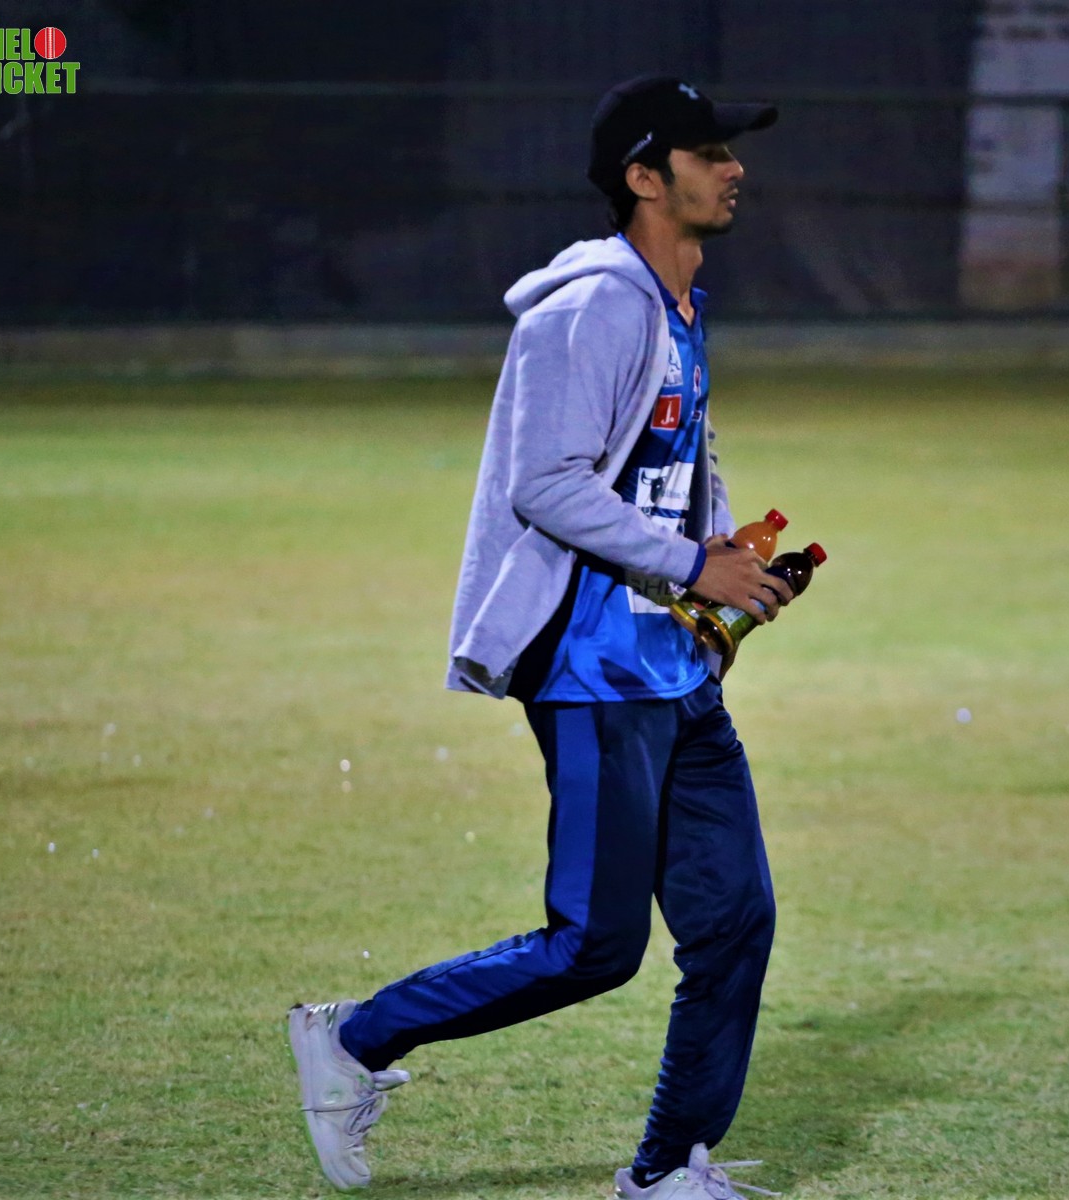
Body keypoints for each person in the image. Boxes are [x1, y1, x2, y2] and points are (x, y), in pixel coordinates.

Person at [288, 75, 790, 1199]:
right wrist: (689, 566)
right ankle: (356, 1037)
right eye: (708, 153)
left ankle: (667, 1172)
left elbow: (666, 462)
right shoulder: (592, 307)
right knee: (592, 947)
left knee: (734, 922)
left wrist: (723, 556)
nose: (733, 168)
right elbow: (546, 485)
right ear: (644, 177)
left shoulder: (677, 301)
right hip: (594, 670)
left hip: (674, 668)